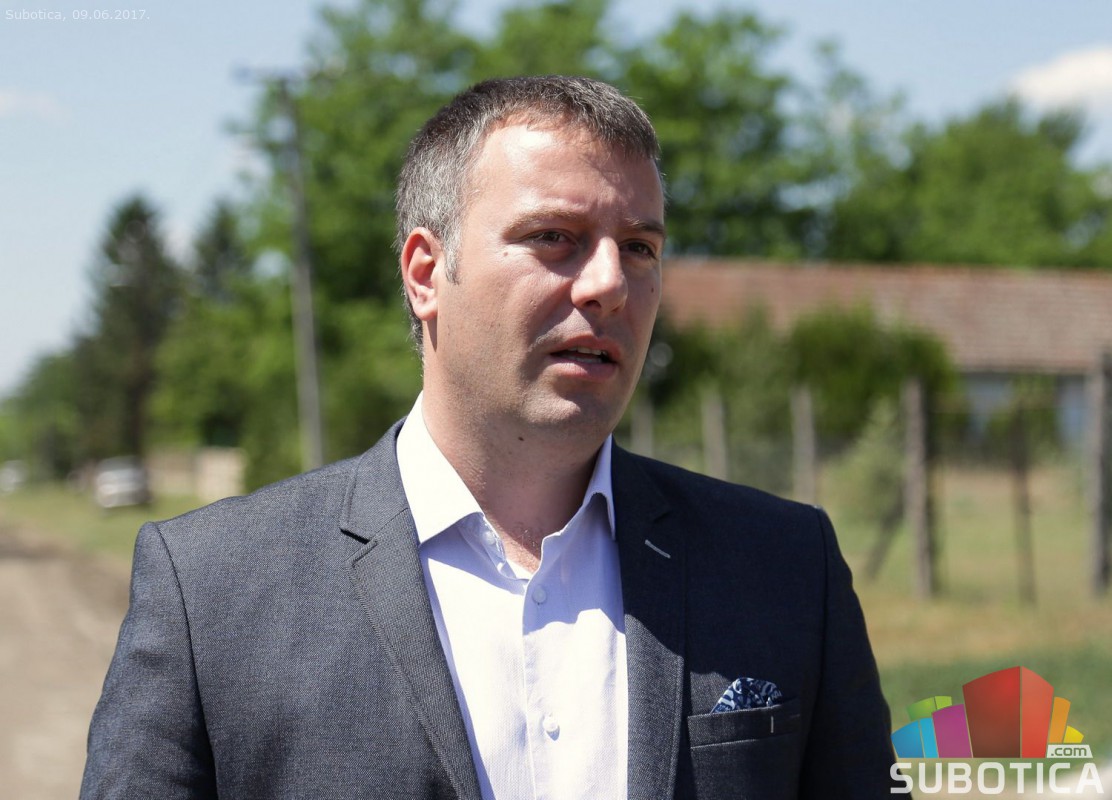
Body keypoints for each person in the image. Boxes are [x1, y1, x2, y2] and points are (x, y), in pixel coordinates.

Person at [81, 75, 898, 799]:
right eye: (554, 237)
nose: (611, 283)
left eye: (639, 247)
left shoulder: (785, 568)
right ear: (425, 274)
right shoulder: (212, 593)